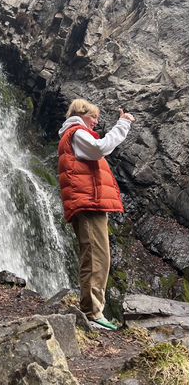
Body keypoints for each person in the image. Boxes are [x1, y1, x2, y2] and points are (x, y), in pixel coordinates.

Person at [58, 98, 135, 331]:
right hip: (88, 203)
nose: (97, 121)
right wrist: (122, 124)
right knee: (97, 256)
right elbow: (100, 147)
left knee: (93, 255)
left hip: (88, 202)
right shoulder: (78, 133)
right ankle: (92, 313)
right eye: (94, 117)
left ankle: (90, 309)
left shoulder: (75, 134)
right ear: (81, 114)